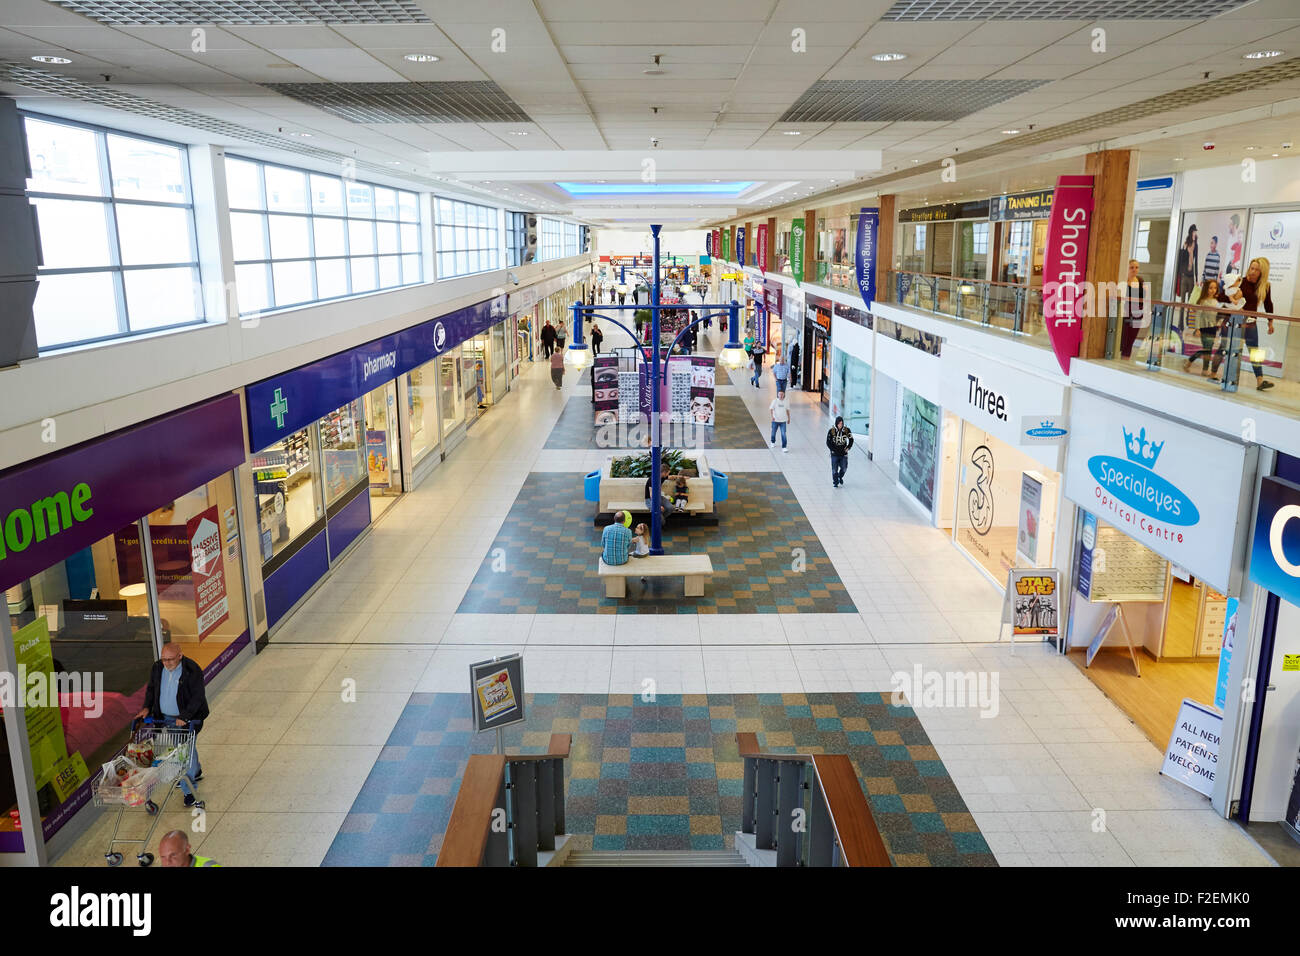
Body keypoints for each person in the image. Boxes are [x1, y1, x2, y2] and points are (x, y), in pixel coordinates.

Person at [136, 643, 208, 808]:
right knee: (182, 747)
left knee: (185, 751)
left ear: (180, 656)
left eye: (170, 660)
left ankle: (189, 791)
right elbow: (151, 689)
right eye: (164, 660)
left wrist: (185, 716)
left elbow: (198, 696)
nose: (166, 663)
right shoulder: (157, 667)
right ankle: (195, 771)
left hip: (187, 720)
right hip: (165, 718)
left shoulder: (192, 670)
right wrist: (147, 707)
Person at [1217, 257, 1276, 390]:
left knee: (1255, 351)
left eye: (1257, 270)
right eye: (1252, 268)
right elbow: (1221, 296)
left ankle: (1260, 380)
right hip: (1234, 322)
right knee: (1226, 349)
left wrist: (1270, 322)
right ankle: (1217, 374)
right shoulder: (1240, 281)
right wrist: (1232, 298)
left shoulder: (1265, 286)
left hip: (1250, 323)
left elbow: (1268, 304)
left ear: (1263, 273)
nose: (1253, 272)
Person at [1184, 278, 1228, 376]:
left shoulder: (1216, 301)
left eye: (1215, 288)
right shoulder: (1202, 301)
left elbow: (1219, 314)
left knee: (1208, 349)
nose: (1213, 290)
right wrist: (1197, 328)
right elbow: (1198, 315)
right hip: (1204, 327)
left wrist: (1219, 323)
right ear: (1206, 289)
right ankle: (1203, 369)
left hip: (1213, 328)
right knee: (1207, 349)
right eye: (1210, 288)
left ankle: (1190, 362)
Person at [1119, 259, 1147, 360]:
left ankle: (1126, 357)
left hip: (1138, 313)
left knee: (1131, 338)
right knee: (1123, 336)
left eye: (1136, 267)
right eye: (1132, 267)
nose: (1134, 270)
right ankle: (1119, 356)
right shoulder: (1123, 281)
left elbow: (1143, 297)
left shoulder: (1140, 280)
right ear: (1127, 269)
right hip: (1126, 312)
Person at [826, 415, 854, 487]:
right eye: (839, 423)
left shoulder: (847, 430)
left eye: (841, 423)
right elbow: (828, 442)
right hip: (834, 454)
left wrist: (848, 447)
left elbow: (851, 440)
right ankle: (835, 482)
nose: (840, 425)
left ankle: (840, 476)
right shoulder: (832, 431)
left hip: (843, 454)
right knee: (834, 469)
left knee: (844, 468)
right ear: (836, 423)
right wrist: (833, 449)